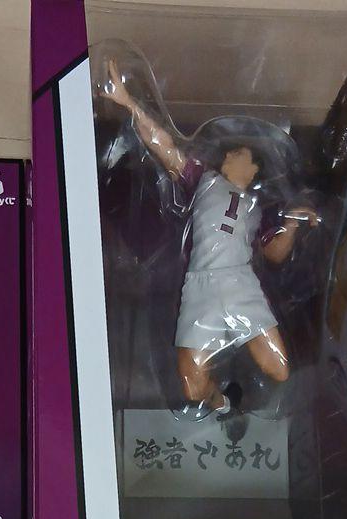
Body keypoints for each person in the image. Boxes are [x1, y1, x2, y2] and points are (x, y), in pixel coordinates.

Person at [98, 56, 319, 420]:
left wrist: (292, 224)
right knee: (191, 386)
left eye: (239, 153)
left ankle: (251, 398)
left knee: (279, 369)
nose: (229, 153)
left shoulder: (260, 207)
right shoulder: (203, 179)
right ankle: (224, 403)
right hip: (200, 284)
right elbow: (163, 145)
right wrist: (128, 102)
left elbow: (275, 255)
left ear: (254, 170)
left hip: (239, 283)